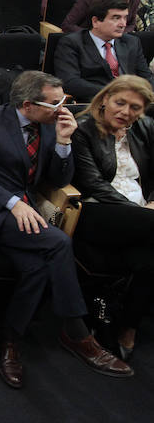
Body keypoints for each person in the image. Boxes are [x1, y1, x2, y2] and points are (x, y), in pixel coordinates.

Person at [0, 71, 133, 388]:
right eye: (55, 103)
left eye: (63, 99)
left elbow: (59, 180)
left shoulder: (51, 126)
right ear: (28, 104)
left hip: (28, 215)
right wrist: (14, 203)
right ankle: (76, 332)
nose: (63, 107)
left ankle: (8, 338)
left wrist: (65, 142)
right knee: (57, 243)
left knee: (37, 267)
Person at [71, 76, 154, 361]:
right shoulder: (83, 130)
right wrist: (141, 213)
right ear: (104, 99)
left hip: (142, 213)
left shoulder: (145, 128)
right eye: (120, 103)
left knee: (148, 259)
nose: (126, 112)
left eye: (135, 107)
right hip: (97, 211)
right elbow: (93, 184)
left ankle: (128, 325)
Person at [54, 0, 153, 102]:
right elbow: (70, 82)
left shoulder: (131, 42)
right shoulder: (71, 43)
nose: (123, 24)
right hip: (94, 103)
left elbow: (146, 77)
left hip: (132, 103)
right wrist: (115, 93)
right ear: (95, 21)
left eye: (125, 18)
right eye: (116, 18)